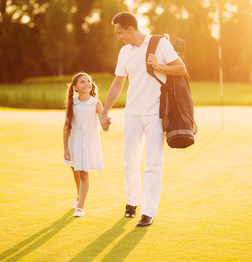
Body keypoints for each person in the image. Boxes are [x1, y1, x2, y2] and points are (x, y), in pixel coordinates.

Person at [101, 12, 186, 227]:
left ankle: (148, 212)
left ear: (130, 28)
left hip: (156, 114)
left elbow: (181, 68)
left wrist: (159, 67)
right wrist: (105, 111)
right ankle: (132, 203)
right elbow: (118, 83)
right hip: (132, 113)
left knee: (152, 164)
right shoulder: (124, 52)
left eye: (120, 32)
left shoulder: (160, 43)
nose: (118, 36)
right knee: (130, 161)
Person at [63, 72, 108, 217]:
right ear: (75, 87)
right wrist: (65, 147)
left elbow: (104, 126)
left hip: (88, 144)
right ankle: (78, 195)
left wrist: (107, 123)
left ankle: (80, 207)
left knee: (83, 174)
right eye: (82, 82)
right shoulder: (72, 103)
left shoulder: (96, 104)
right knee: (75, 169)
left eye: (88, 81)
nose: (87, 84)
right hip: (73, 142)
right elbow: (66, 126)